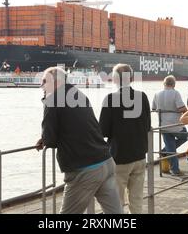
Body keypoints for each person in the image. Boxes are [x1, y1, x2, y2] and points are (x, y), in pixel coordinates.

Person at [36, 67, 123, 214]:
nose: (41, 85)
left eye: (44, 81)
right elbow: (80, 125)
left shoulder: (52, 101)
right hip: (106, 162)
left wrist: (45, 138)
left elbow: (50, 140)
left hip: (85, 170)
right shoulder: (79, 95)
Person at [99, 64, 151, 214]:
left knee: (116, 203)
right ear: (132, 78)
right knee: (137, 200)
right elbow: (147, 125)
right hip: (140, 155)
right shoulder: (143, 97)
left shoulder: (110, 99)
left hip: (119, 157)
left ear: (115, 79)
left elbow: (102, 131)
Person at [152, 75, 188, 176]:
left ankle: (174, 168)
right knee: (186, 136)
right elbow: (181, 108)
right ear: (174, 84)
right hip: (176, 124)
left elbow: (154, 108)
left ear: (164, 84)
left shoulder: (157, 94)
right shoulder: (175, 93)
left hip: (163, 125)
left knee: (170, 147)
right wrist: (187, 111)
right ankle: (165, 152)